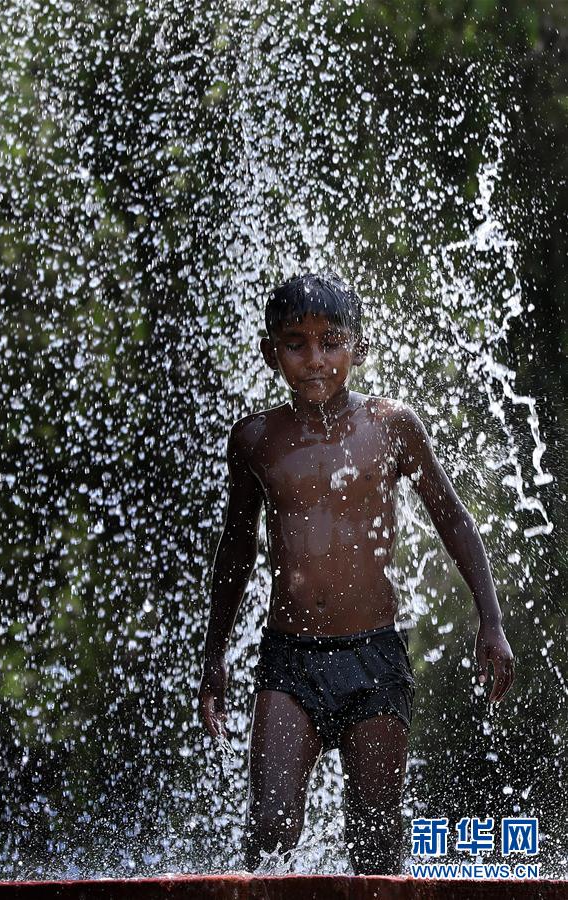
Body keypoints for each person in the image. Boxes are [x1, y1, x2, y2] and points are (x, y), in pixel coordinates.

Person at [197, 271, 515, 876]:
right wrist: (215, 654)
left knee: (375, 844)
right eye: (296, 343)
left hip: (375, 658)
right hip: (288, 660)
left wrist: (491, 623)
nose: (315, 359)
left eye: (331, 341)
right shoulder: (257, 440)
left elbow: (455, 521)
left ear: (358, 348)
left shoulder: (392, 427)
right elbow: (235, 552)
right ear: (271, 353)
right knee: (268, 835)